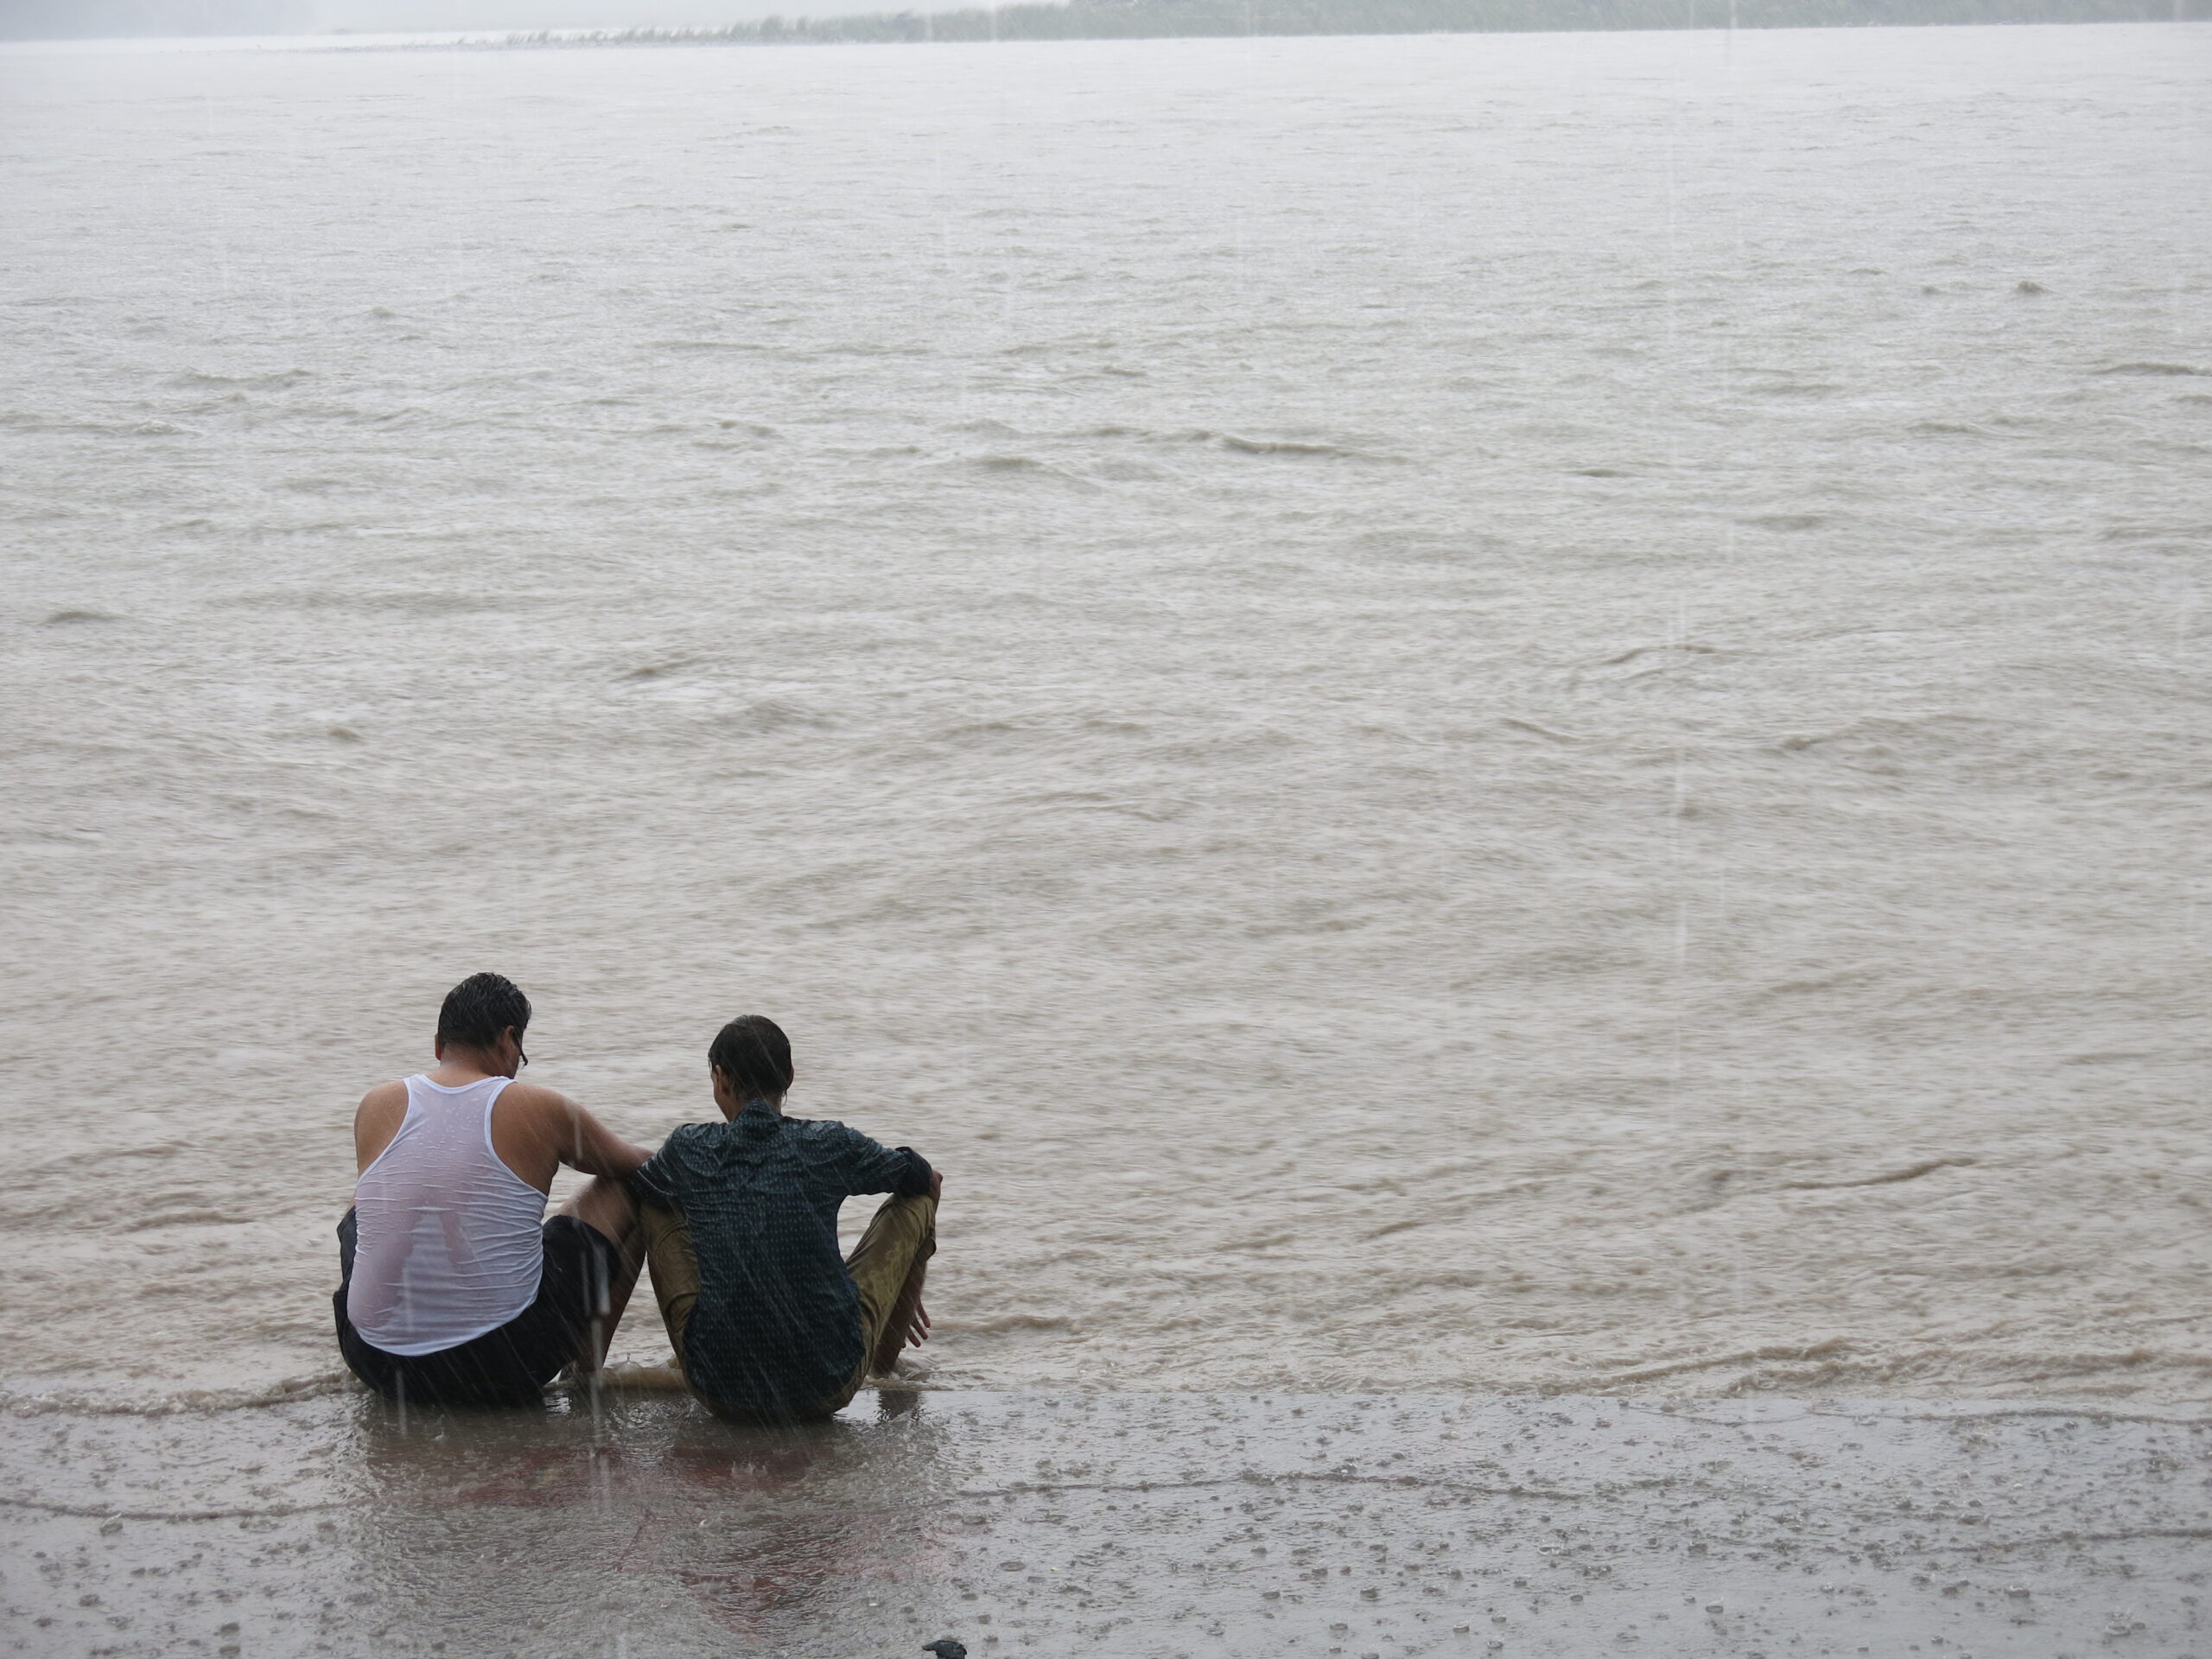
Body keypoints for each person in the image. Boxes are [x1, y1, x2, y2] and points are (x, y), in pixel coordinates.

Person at [334, 972, 652, 1408]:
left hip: (377, 1362)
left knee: (364, 1205)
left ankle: (406, 1335)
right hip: (502, 1364)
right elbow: (634, 1163)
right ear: (509, 1039)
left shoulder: (376, 1104)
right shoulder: (539, 1106)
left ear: (438, 1045)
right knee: (630, 1187)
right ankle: (586, 1374)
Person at [630, 1014, 939, 1425]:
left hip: (720, 1390)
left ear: (720, 1079)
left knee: (650, 1199)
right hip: (827, 1384)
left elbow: (642, 1186)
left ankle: (587, 1365)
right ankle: (884, 1363)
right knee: (922, 1196)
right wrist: (908, 1275)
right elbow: (921, 1176)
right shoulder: (828, 1143)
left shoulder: (689, 1149)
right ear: (790, 1077)